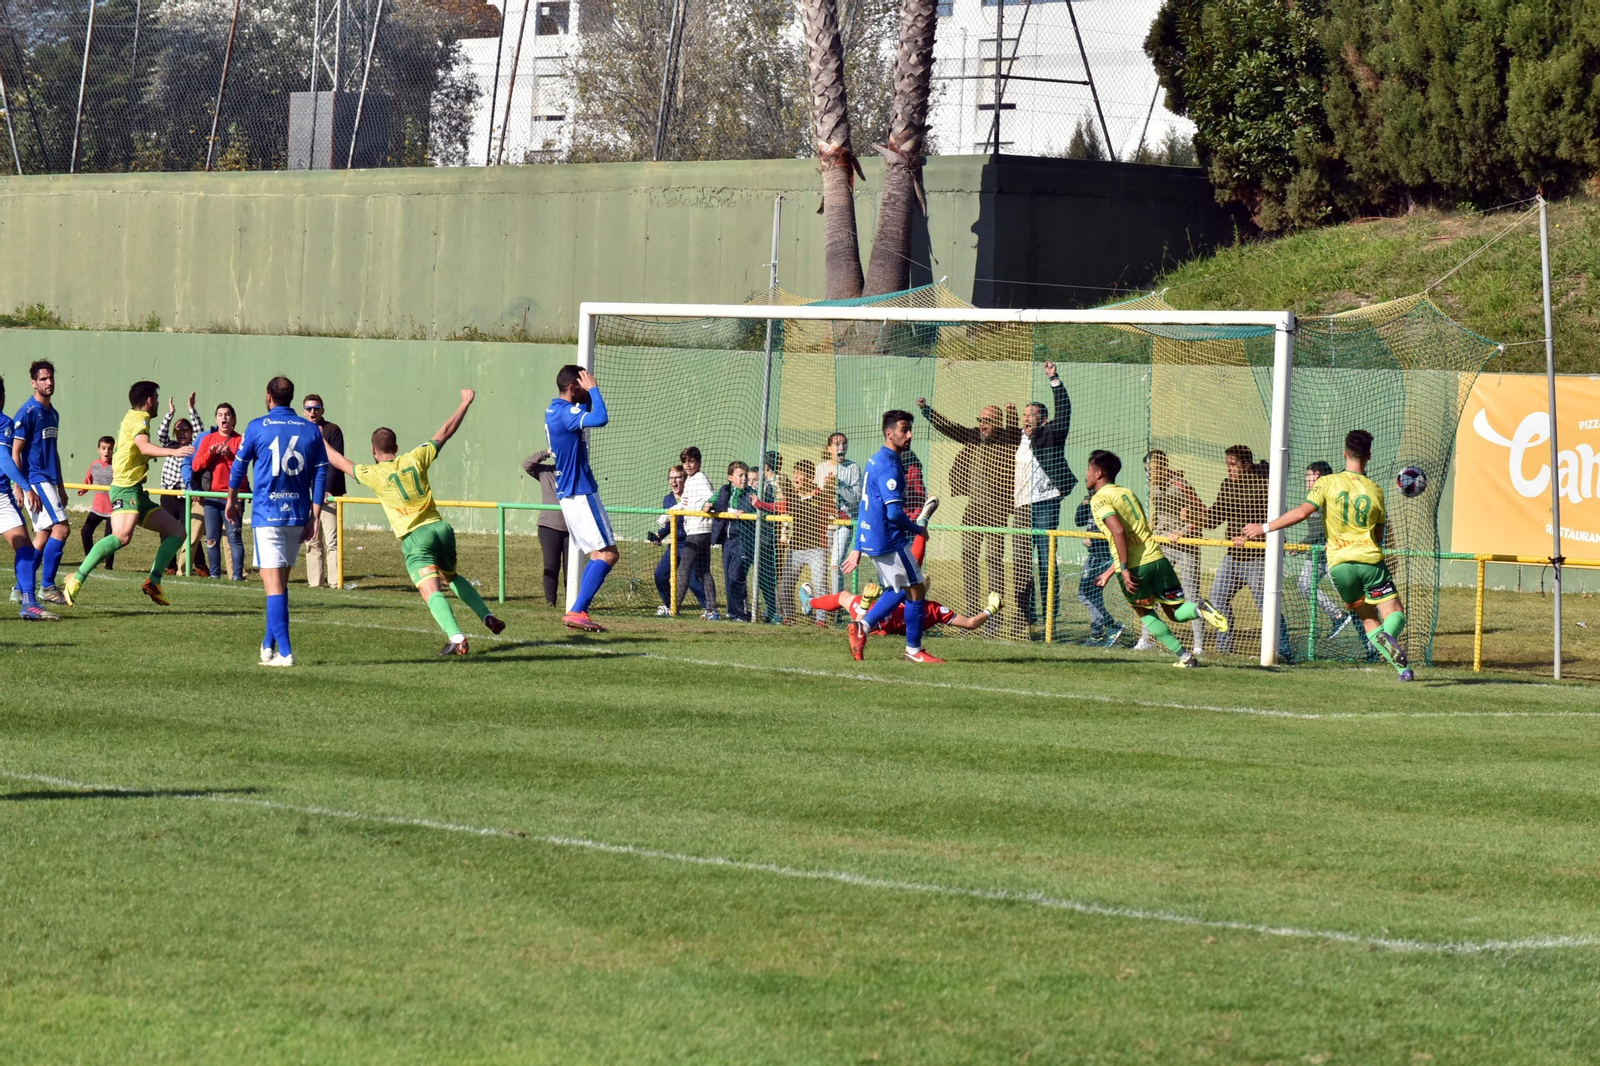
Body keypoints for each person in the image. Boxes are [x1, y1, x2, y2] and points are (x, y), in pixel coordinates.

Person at [323, 389, 506, 656]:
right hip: (441, 529)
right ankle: (486, 615)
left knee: (429, 589)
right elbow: (445, 431)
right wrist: (465, 402)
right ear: (396, 448)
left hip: (415, 537)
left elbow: (338, 461)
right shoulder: (414, 458)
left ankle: (456, 637)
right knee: (451, 576)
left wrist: (318, 437)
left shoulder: (372, 473)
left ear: (373, 451)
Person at [1241, 429, 1414, 680]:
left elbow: (1301, 513)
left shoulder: (1327, 482)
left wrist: (1264, 527)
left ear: (1345, 453)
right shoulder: (1375, 490)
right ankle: (1388, 642)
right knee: (1394, 613)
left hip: (1340, 567)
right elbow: (1377, 534)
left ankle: (1403, 669)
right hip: (1370, 563)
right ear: (1369, 456)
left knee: (1367, 619)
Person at [1085, 449, 1228, 668]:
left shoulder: (1100, 499)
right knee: (1176, 612)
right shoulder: (1127, 493)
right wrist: (1109, 572)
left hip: (1135, 568)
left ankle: (1185, 657)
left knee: (1146, 613)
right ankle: (1199, 608)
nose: (1086, 474)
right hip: (1158, 559)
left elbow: (1118, 532)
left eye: (1088, 469)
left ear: (1098, 473)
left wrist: (1123, 569)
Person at [224, 376, 329, 667]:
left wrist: (231, 499)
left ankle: (285, 652)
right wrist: (315, 515)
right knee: (279, 584)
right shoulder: (310, 429)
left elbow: (239, 467)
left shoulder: (257, 426)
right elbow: (321, 473)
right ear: (292, 398)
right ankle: (268, 646)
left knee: (273, 586)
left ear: (269, 397)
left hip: (268, 514)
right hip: (297, 513)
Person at [62, 381, 195, 606]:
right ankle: (76, 577)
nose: (158, 404)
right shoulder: (139, 419)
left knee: (177, 531)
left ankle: (154, 581)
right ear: (150, 400)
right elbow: (144, 447)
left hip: (136, 491)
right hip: (124, 487)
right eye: (157, 399)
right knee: (122, 536)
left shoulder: (131, 416)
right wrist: (174, 452)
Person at [840, 410, 939, 663]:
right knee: (916, 589)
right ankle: (914, 651)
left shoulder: (875, 460)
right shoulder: (889, 466)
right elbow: (894, 513)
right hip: (889, 539)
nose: (910, 435)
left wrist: (858, 546)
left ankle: (863, 627)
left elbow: (864, 508)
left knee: (900, 589)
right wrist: (918, 529)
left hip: (874, 539)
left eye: (910, 430)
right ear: (889, 433)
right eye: (904, 430)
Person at [917, 395, 1019, 619]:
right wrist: (927, 411)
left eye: (988, 420)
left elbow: (1014, 434)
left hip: (997, 509)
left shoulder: (1006, 439)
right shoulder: (974, 437)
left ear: (999, 424)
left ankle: (994, 613)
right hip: (973, 508)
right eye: (980, 419)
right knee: (969, 556)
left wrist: (1011, 415)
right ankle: (973, 609)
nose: (982, 424)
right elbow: (951, 429)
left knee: (994, 559)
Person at [1200, 444, 1291, 660]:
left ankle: (1285, 652)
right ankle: (1224, 649)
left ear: (1246, 465)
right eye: (1227, 465)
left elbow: (1278, 523)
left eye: (1233, 465)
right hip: (1233, 556)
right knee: (1216, 600)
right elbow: (1213, 518)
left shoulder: (1266, 486)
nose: (1229, 469)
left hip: (1259, 557)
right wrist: (1193, 515)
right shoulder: (1227, 486)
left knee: (1266, 606)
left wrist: (1254, 536)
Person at [544, 364, 616, 632]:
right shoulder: (565, 413)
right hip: (580, 490)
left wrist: (584, 396)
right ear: (573, 388)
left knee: (598, 553)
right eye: (582, 385)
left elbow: (581, 415)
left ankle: (578, 610)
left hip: (569, 493)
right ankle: (577, 610)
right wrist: (594, 391)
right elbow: (600, 419)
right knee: (608, 554)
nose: (587, 387)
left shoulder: (554, 409)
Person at [1014, 361, 1077, 626]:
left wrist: (1054, 380)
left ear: (1044, 419)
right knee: (1022, 563)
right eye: (1025, 414)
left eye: (1033, 415)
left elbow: (1065, 411)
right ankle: (1026, 615)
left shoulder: (1052, 433)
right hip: (1021, 507)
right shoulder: (1017, 437)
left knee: (1045, 561)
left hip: (1045, 504)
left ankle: (1050, 614)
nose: (1027, 418)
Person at [11, 360, 70, 605]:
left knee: (44, 534)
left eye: (51, 378)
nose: (49, 382)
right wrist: (20, 487)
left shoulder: (52, 413)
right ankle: (46, 586)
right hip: (35, 479)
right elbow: (15, 452)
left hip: (48, 480)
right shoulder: (28, 412)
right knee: (62, 528)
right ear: (34, 383)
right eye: (43, 379)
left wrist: (61, 486)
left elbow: (53, 451)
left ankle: (19, 588)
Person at [1137, 450, 1207, 651]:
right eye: (1146, 470)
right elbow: (1156, 516)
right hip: (1163, 545)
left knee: (1191, 594)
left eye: (1153, 469)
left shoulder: (1181, 486)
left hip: (1186, 546)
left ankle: (1198, 646)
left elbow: (1202, 514)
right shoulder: (1154, 488)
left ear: (1163, 466)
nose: (1149, 473)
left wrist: (1183, 531)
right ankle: (1147, 639)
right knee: (1152, 593)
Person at [1, 376, 56, 620]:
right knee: (24, 546)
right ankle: (29, 603)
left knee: (24, 545)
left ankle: (29, 601)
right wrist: (24, 486)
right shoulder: (4, 423)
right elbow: (3, 457)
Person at [761, 458, 834, 624]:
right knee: (785, 585)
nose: (795, 477)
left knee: (820, 584)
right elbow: (777, 507)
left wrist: (831, 489)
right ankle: (789, 616)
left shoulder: (821, 495)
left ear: (809, 477)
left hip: (817, 549)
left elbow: (835, 511)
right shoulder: (793, 497)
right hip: (796, 549)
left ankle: (821, 620)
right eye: (794, 473)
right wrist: (759, 504)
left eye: (799, 474)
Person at [801, 582, 1002, 636]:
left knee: (844, 597)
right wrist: (991, 608)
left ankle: (808, 603)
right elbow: (970, 623)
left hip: (873, 619)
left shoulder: (898, 595)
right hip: (882, 626)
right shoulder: (935, 609)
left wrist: (868, 600)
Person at [1296, 460, 1354, 639]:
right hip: (1318, 553)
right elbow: (1315, 532)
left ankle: (1370, 631)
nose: (1307, 481)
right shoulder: (1312, 500)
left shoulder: (1333, 498)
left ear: (1320, 477)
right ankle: (1338, 616)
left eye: (1310, 477)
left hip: (1337, 553)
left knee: (1349, 595)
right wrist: (1302, 544)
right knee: (1304, 585)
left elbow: (1335, 526)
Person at [192, 403, 246, 580]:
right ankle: (215, 575)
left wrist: (230, 454)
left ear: (234, 419)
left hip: (234, 497)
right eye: (221, 415)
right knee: (211, 539)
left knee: (234, 538)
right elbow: (196, 465)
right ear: (216, 419)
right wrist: (211, 453)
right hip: (212, 498)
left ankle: (237, 576)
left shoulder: (240, 440)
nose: (224, 418)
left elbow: (243, 468)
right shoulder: (208, 439)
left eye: (228, 414)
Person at [647, 465, 706, 615]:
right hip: (675, 543)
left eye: (677, 477)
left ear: (685, 479)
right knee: (660, 575)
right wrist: (660, 535)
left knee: (692, 579)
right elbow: (669, 524)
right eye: (671, 478)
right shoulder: (668, 500)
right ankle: (670, 606)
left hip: (690, 543)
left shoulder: (691, 497)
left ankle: (710, 609)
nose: (674, 481)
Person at [815, 432, 862, 614]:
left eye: (843, 444)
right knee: (820, 563)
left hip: (845, 522)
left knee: (835, 564)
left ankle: (838, 607)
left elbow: (856, 498)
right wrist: (825, 488)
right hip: (824, 522)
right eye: (836, 444)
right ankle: (822, 608)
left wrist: (839, 486)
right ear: (829, 448)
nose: (841, 447)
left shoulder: (853, 468)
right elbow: (816, 496)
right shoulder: (821, 468)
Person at [300, 394, 344, 588]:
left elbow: (335, 463)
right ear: (303, 411)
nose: (312, 412)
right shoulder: (300, 431)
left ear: (322, 410)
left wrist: (326, 490)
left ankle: (335, 582)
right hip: (306, 495)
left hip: (329, 496)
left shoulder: (332, 430)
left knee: (332, 540)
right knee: (311, 539)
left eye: (316, 408)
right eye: (309, 409)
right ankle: (315, 583)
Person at [154, 394, 202, 562]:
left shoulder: (193, 447)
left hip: (185, 495)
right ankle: (169, 564)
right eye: (178, 430)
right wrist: (170, 413)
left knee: (189, 529)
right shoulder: (170, 446)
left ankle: (199, 564)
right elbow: (161, 433)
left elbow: (200, 431)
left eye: (185, 430)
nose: (182, 433)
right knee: (165, 529)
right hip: (168, 494)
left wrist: (191, 409)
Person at [521, 448, 569, 607]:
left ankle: (572, 601)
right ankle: (551, 601)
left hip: (572, 528)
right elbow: (527, 464)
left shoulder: (573, 472)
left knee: (571, 567)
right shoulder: (545, 471)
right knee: (551, 565)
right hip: (548, 526)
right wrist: (546, 452)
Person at [675, 446, 718, 620]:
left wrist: (708, 505)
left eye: (691, 461)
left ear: (698, 463)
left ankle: (674, 606)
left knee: (684, 568)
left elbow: (712, 497)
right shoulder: (690, 481)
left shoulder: (700, 478)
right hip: (696, 530)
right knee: (703, 571)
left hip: (699, 531)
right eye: (685, 462)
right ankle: (712, 610)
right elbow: (684, 504)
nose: (687, 465)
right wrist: (665, 516)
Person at [709, 461, 754, 622]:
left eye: (745, 475)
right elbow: (711, 501)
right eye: (740, 475)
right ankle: (732, 612)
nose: (743, 479)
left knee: (737, 576)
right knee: (728, 576)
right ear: (730, 478)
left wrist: (746, 511)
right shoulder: (724, 491)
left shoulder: (749, 493)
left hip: (742, 539)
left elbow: (754, 508)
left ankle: (742, 613)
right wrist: (707, 505)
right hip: (727, 541)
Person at [1073, 492, 1118, 645]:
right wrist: (1085, 502)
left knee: (1084, 594)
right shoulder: (1090, 500)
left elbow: (1113, 528)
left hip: (1102, 555)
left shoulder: (1107, 500)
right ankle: (1097, 635)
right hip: (1094, 554)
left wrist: (1095, 540)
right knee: (1094, 595)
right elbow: (1078, 521)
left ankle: (1112, 626)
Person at [77, 436, 116, 572]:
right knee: (85, 532)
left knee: (109, 539)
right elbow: (89, 477)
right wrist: (83, 488)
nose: (107, 452)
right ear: (98, 450)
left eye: (110, 449)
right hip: (97, 508)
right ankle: (90, 560)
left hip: (113, 510)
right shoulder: (94, 465)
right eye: (104, 448)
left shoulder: (116, 465)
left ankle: (109, 566)